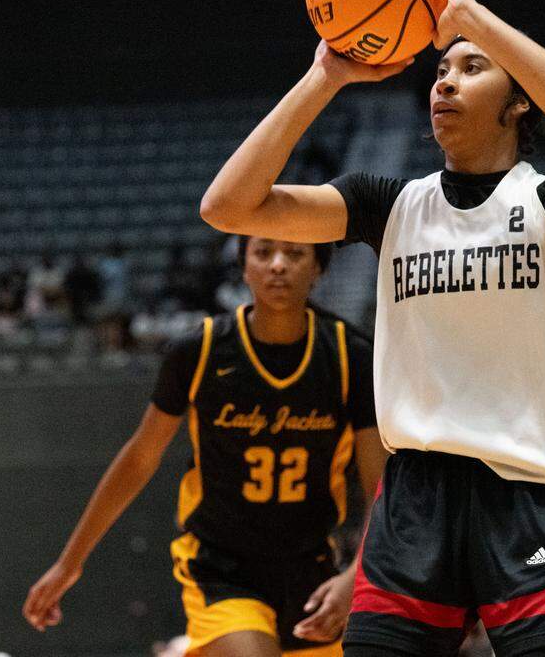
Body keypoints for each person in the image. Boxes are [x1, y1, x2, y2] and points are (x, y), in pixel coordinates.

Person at [200, 0, 545, 657]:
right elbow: (228, 206)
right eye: (439, 69)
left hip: (532, 490)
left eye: (471, 68)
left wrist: (470, 16)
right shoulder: (388, 204)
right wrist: (325, 77)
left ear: (519, 98)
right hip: (414, 498)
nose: (445, 83)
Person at [24, 237, 387, 657]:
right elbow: (141, 457)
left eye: (295, 253)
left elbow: (380, 486)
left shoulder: (349, 356)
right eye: (263, 252)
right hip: (221, 569)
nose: (278, 265)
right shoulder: (201, 350)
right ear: (245, 267)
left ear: (319, 267)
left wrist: (357, 575)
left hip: (312, 570)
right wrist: (70, 563)